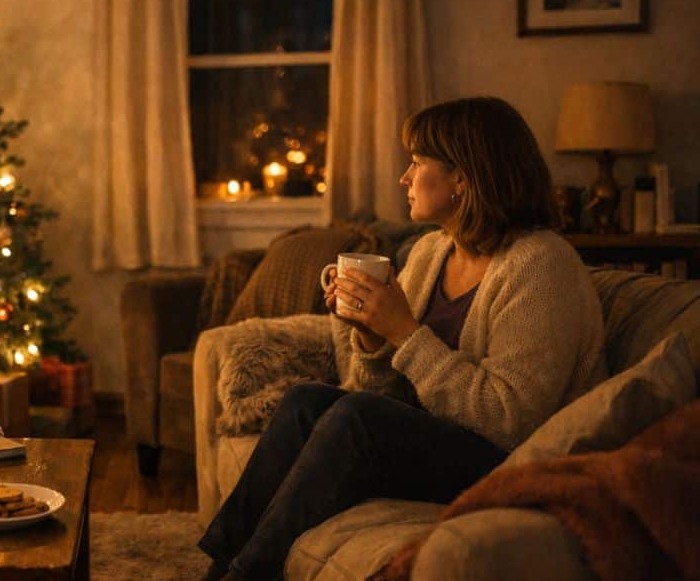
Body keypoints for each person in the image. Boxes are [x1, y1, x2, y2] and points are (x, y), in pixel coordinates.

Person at [198, 97, 608, 580]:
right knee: (305, 401)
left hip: (516, 462)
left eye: (417, 163)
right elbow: (381, 395)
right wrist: (372, 335)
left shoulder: (540, 265)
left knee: (355, 418)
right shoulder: (433, 252)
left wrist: (404, 332)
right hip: (446, 439)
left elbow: (509, 420)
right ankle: (218, 564)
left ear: (463, 177)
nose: (404, 177)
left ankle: (249, 576)